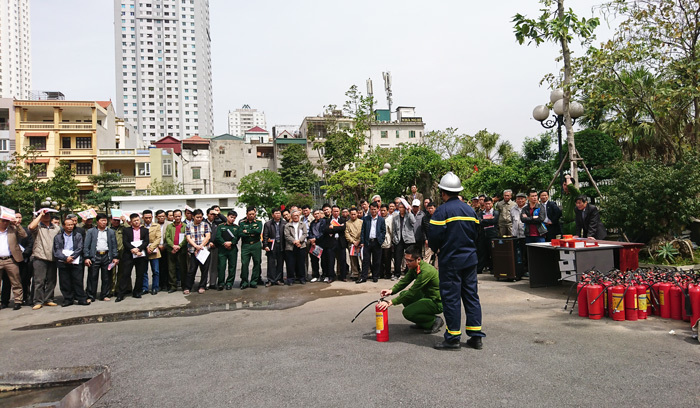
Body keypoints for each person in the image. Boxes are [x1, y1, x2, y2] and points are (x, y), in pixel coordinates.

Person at [429, 171, 485, 350]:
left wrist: (438, 249)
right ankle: (476, 336)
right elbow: (477, 234)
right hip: (470, 259)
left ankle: (453, 338)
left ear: (443, 193)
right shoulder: (470, 210)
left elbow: (434, 238)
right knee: (471, 296)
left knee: (451, 298)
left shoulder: (441, 211)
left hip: (451, 261)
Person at [377, 244, 443, 333]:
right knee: (403, 295)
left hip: (437, 302)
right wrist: (391, 290)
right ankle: (421, 321)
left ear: (418, 259)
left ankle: (433, 321)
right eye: (406, 260)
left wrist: (391, 302)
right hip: (427, 297)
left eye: (410, 260)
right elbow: (404, 281)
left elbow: (412, 292)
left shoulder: (426, 271)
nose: (407, 263)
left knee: (407, 312)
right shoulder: (414, 267)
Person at [28, 209, 60, 310]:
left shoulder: (56, 228)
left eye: (48, 214)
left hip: (52, 257)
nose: (46, 216)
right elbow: (31, 227)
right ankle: (38, 301)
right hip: (39, 257)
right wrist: (39, 216)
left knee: (51, 280)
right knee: (39, 281)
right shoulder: (38, 227)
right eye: (44, 215)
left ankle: (48, 299)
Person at [83, 213, 119, 302]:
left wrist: (115, 257)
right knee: (92, 276)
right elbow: (86, 245)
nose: (104, 222)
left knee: (106, 277)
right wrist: (87, 257)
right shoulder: (91, 231)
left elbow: (114, 245)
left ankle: (105, 294)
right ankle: (91, 295)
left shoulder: (110, 232)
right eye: (102, 220)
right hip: (95, 256)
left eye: (105, 220)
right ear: (97, 221)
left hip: (107, 256)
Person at [53, 218, 88, 307]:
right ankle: (68, 299)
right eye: (68, 225)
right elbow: (56, 250)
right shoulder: (58, 237)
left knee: (78, 280)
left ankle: (81, 298)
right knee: (65, 281)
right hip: (63, 261)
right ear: (63, 226)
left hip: (75, 260)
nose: (70, 226)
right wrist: (65, 258)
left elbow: (80, 247)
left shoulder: (78, 235)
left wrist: (72, 257)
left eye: (72, 225)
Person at [117, 213, 149, 302]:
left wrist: (139, 249)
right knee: (125, 274)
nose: (136, 222)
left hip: (141, 254)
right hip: (129, 255)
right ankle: (121, 294)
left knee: (140, 274)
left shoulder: (145, 230)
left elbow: (146, 241)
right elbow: (125, 242)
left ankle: (137, 292)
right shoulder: (126, 230)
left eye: (137, 220)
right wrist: (133, 249)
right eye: (134, 221)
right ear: (130, 222)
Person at [0, 214, 27, 310]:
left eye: (7, 221)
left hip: (11, 259)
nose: (5, 223)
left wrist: (17, 224)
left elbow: (24, 235)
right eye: (3, 221)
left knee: (16, 281)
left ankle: (18, 301)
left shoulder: (12, 229)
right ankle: (3, 302)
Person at [185, 209, 211, 294]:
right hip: (193, 251)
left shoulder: (205, 225)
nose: (199, 219)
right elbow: (188, 238)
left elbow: (207, 237)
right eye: (197, 217)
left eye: (201, 217)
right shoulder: (188, 226)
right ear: (193, 216)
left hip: (204, 251)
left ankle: (202, 286)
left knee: (204, 270)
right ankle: (188, 286)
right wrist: (196, 246)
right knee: (192, 270)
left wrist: (200, 246)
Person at [358, 201, 385, 283]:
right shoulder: (366, 219)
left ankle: (375, 276)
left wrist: (381, 240)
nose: (373, 211)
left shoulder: (381, 220)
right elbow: (363, 231)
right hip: (367, 242)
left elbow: (383, 231)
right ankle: (364, 277)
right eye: (372, 209)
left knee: (376, 260)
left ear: (378, 209)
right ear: (370, 209)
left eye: (375, 209)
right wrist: (362, 241)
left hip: (377, 242)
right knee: (365, 260)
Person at [239, 207, 263, 289]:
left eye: (253, 214)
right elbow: (241, 234)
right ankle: (244, 281)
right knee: (245, 263)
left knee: (257, 263)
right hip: (246, 245)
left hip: (256, 244)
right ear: (247, 214)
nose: (252, 216)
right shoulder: (242, 223)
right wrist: (252, 231)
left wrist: (247, 231)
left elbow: (258, 231)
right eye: (250, 214)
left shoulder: (259, 222)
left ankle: (254, 281)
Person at [215, 211, 239, 290]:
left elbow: (237, 237)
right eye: (231, 217)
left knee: (232, 266)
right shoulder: (221, 226)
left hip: (232, 249)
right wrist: (224, 243)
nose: (232, 219)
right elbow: (218, 237)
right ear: (227, 217)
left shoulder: (236, 227)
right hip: (222, 249)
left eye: (234, 218)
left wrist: (231, 243)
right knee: (221, 266)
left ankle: (229, 283)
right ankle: (221, 283)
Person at [392, 198, 415, 281]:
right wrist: (395, 239)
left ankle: (410, 274)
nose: (401, 209)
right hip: (399, 240)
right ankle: (397, 274)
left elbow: (413, 222)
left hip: (408, 239)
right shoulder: (395, 218)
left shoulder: (408, 216)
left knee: (409, 257)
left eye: (403, 207)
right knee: (397, 257)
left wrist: (409, 212)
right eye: (400, 207)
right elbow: (394, 230)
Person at [164, 209, 187, 293]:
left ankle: (184, 285)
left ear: (181, 216)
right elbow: (167, 237)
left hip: (182, 250)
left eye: (179, 216)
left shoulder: (185, 226)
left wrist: (179, 246)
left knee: (183, 268)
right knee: (171, 268)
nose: (177, 218)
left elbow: (186, 238)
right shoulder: (170, 226)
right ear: (173, 217)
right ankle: (173, 286)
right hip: (171, 250)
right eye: (176, 216)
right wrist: (173, 246)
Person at [283, 210, 308, 284]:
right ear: (291, 216)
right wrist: (294, 241)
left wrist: (299, 241)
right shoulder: (288, 225)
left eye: (297, 215)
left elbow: (305, 233)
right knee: (290, 263)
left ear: (299, 216)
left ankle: (302, 278)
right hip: (290, 247)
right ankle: (290, 279)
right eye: (294, 215)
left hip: (301, 246)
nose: (296, 217)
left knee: (301, 263)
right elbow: (287, 235)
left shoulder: (302, 224)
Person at [263, 208, 286, 286]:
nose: (278, 215)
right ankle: (270, 280)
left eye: (279, 213)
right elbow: (265, 235)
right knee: (271, 263)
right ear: (272, 215)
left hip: (281, 244)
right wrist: (265, 245)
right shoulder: (268, 224)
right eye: (276, 213)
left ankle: (279, 279)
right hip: (272, 245)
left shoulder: (284, 223)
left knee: (280, 263)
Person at [477, 197, 500, 274]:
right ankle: (480, 268)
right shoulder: (481, 213)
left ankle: (493, 268)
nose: (487, 205)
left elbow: (494, 221)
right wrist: (488, 220)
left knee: (492, 252)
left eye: (489, 203)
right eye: (486, 203)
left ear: (492, 204)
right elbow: (479, 221)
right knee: (482, 252)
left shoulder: (496, 212)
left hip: (492, 234)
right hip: (483, 234)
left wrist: (484, 220)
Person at [142, 210, 162, 295]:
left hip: (154, 251)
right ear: (143, 218)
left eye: (149, 217)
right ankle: (144, 288)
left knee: (156, 271)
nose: (148, 219)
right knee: (144, 271)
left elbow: (158, 238)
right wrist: (145, 247)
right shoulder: (140, 227)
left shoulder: (156, 226)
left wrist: (151, 247)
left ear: (152, 217)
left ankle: (155, 287)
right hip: (143, 251)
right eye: (146, 218)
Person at [344, 207, 363, 281]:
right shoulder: (347, 223)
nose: (353, 216)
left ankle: (367, 272)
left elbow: (363, 232)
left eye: (354, 214)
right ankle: (355, 273)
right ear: (349, 214)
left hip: (360, 243)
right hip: (352, 244)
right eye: (352, 214)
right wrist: (353, 241)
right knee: (353, 259)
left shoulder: (361, 222)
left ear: (357, 214)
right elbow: (347, 233)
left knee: (363, 258)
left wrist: (359, 241)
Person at [155, 210, 171, 291]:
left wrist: (164, 246)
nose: (161, 218)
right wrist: (157, 246)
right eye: (159, 216)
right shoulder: (154, 225)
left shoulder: (169, 224)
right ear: (156, 217)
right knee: (158, 268)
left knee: (167, 266)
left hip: (166, 248)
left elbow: (169, 237)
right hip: (156, 248)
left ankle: (167, 284)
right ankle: (160, 284)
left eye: (163, 216)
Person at [307, 209, 324, 282]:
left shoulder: (323, 222)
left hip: (321, 243)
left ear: (320, 214)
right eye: (315, 214)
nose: (316, 215)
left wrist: (316, 239)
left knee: (323, 261)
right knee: (314, 261)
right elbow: (310, 232)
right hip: (313, 244)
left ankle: (324, 275)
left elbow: (322, 232)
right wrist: (311, 239)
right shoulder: (312, 223)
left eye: (318, 213)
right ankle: (315, 275)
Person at [205, 208, 219, 289]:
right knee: (206, 265)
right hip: (205, 246)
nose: (212, 216)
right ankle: (206, 283)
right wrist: (208, 242)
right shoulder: (203, 222)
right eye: (211, 214)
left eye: (214, 215)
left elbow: (225, 219)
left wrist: (217, 213)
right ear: (207, 214)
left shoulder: (217, 223)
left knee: (214, 265)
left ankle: (213, 283)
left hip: (215, 246)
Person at [380, 204, 394, 279]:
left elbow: (391, 231)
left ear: (387, 211)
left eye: (384, 210)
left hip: (387, 242)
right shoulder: (378, 219)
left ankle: (388, 273)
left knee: (387, 258)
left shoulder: (390, 219)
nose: (382, 212)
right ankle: (381, 273)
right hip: (379, 242)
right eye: (381, 210)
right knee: (380, 259)